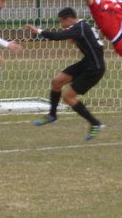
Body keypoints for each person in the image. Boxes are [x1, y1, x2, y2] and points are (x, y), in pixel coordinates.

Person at [25, 7, 105, 140]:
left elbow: (58, 36)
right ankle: (52, 115)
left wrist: (38, 31)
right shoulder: (81, 25)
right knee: (57, 81)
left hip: (94, 69)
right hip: (87, 63)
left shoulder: (80, 28)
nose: (61, 25)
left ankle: (95, 123)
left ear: (68, 19)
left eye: (61, 22)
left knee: (68, 97)